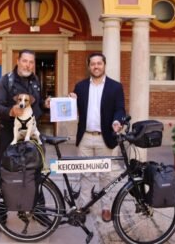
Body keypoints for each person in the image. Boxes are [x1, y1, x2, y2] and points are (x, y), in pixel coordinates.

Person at [69, 52, 126, 223]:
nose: (96, 66)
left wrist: (117, 121)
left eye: (99, 63)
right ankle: (83, 206)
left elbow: (120, 109)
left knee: (105, 175)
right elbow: (73, 109)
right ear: (89, 67)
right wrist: (70, 100)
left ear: (104, 65)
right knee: (85, 174)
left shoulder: (115, 87)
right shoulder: (80, 87)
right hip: (85, 138)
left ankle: (106, 207)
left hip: (105, 138)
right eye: (93, 64)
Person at [0, 49, 50, 176]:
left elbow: (37, 103)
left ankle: (34, 195)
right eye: (24, 61)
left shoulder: (36, 81)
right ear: (18, 61)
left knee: (34, 170)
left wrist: (44, 104)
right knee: (6, 169)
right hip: (10, 134)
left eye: (31, 62)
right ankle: (3, 195)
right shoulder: (6, 81)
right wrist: (10, 111)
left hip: (31, 133)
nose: (27, 65)